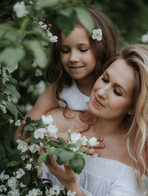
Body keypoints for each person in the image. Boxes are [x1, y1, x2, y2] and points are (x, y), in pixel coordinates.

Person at [40, 44, 148, 196]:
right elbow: (23, 150)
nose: (101, 92)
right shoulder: (60, 120)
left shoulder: (136, 160)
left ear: (132, 107)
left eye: (117, 92)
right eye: (104, 78)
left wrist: (72, 188)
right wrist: (55, 139)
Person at [14, 5, 118, 144]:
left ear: (101, 48)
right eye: (65, 50)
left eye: (83, 49)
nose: (73, 58)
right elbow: (19, 137)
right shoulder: (60, 89)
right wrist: (59, 135)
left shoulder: (112, 89)